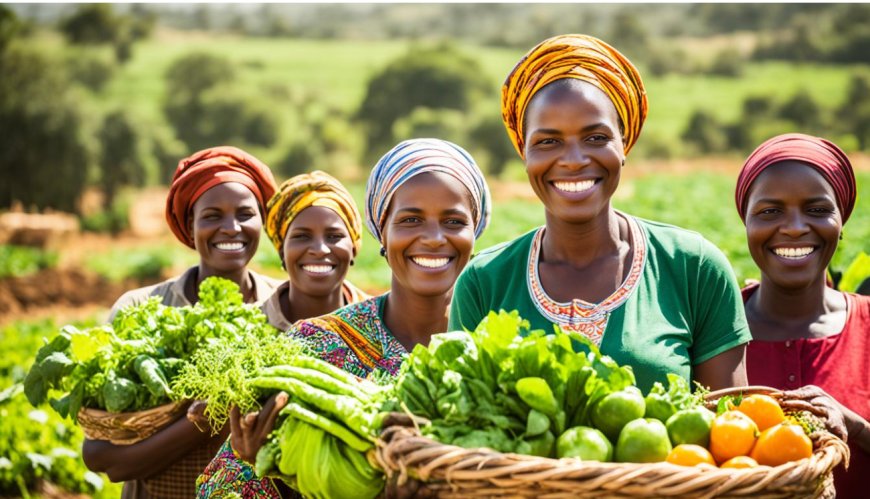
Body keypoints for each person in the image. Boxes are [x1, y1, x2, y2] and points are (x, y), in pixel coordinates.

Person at [449, 34, 750, 393]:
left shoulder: (693, 268)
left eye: (595, 138)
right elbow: (462, 427)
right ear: (524, 152)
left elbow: (732, 428)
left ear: (624, 143)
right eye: (548, 141)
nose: (574, 160)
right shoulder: (485, 283)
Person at [195, 138, 491, 497]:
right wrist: (272, 466)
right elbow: (220, 489)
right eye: (411, 219)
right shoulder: (314, 346)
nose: (432, 238)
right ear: (382, 231)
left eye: (453, 221)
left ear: (473, 232)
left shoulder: (495, 351)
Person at [83, 146, 281, 499]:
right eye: (212, 215)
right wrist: (196, 424)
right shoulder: (140, 310)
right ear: (190, 227)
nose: (231, 227)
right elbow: (102, 457)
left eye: (245, 214)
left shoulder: (283, 307)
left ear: (262, 223)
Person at [735, 133, 869, 496]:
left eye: (817, 209)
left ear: (841, 221)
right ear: (745, 224)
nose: (794, 227)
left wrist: (855, 427)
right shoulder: (714, 330)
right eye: (770, 211)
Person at [260, 170, 368, 331]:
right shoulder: (247, 327)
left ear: (353, 248)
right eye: (302, 236)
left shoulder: (385, 326)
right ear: (282, 251)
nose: (320, 250)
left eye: (334, 236)